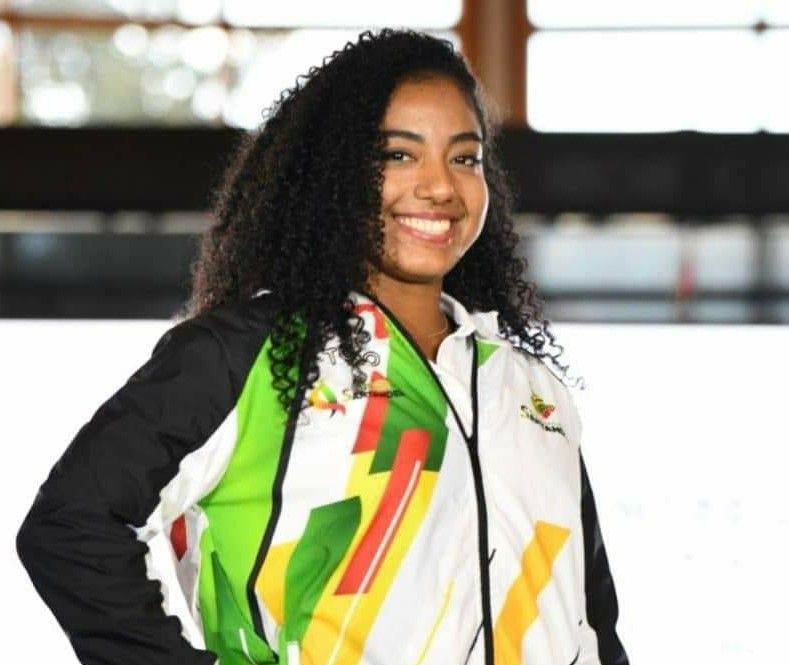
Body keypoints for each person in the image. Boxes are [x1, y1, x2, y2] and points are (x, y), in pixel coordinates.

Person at [17, 29, 628, 665]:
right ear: (334, 173)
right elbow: (71, 526)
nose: (440, 187)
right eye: (398, 155)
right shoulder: (246, 357)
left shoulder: (528, 388)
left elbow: (594, 625)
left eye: (465, 158)